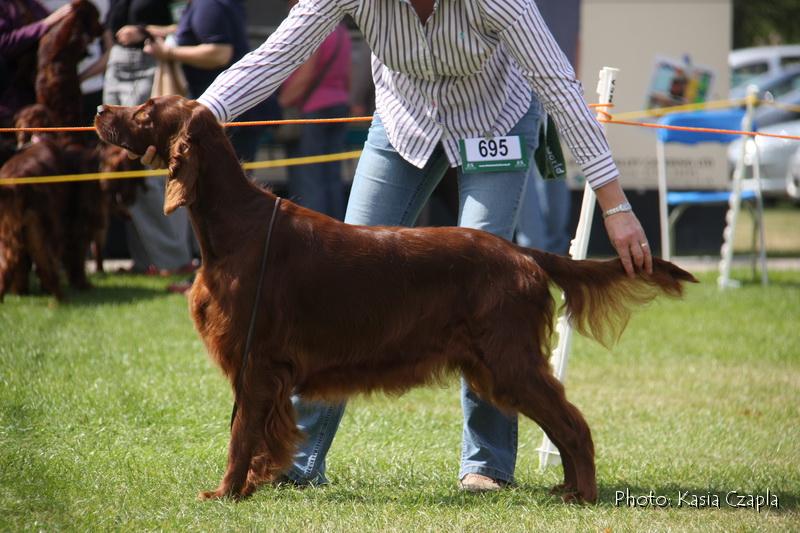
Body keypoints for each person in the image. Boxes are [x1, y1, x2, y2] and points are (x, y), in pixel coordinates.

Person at [133, 0, 653, 491]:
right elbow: (278, 55)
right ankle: (299, 460)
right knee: (338, 281)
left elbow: (559, 87)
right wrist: (191, 121)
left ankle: (486, 465)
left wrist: (617, 207)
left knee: (488, 287)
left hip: (495, 119)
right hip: (404, 122)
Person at [142, 0, 278, 165]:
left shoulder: (208, 4)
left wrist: (168, 52)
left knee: (225, 184)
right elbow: (200, 30)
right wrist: (162, 31)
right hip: (228, 109)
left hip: (231, 114)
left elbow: (220, 53)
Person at [278, 2, 350, 219]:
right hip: (338, 106)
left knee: (308, 179)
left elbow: (306, 75)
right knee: (332, 178)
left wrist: (279, 104)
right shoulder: (342, 31)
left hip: (312, 110)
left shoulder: (312, 24)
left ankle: (313, 240)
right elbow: (348, 75)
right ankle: (337, 235)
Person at [0, 0, 74, 126]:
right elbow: (4, 43)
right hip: (10, 100)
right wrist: (45, 23)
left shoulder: (30, 4)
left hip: (38, 93)